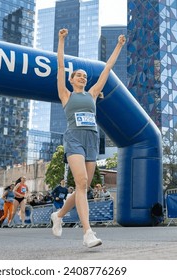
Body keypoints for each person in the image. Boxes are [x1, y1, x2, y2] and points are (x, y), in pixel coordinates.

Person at [51, 28, 125, 248]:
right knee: (81, 183)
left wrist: (119, 45)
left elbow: (107, 68)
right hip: (74, 138)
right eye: (78, 75)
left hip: (92, 139)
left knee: (83, 187)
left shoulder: (93, 93)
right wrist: (61, 39)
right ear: (72, 80)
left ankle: (59, 214)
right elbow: (61, 66)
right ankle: (87, 233)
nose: (82, 77)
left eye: (84, 75)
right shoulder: (66, 94)